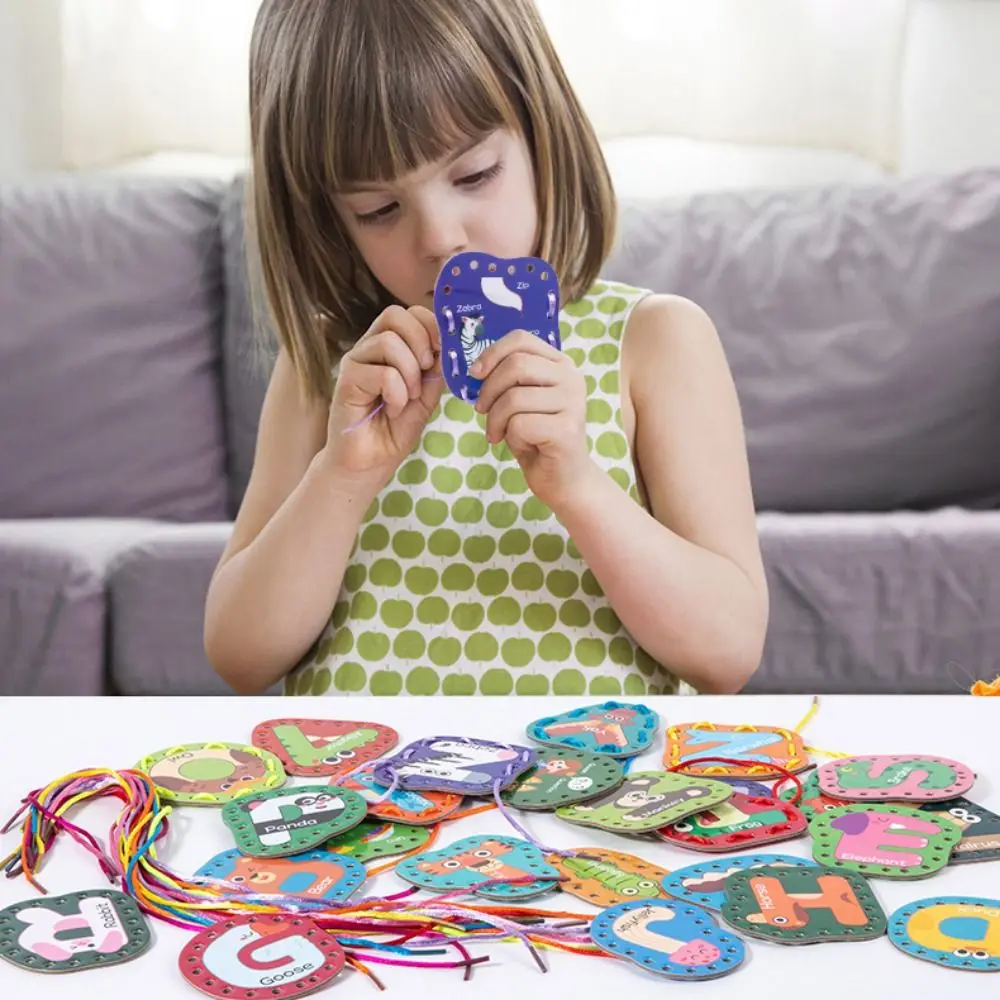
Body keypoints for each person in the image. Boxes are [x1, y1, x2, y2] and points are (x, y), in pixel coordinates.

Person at [204, 0, 769, 698]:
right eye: (379, 210)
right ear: (329, 220)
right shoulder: (326, 371)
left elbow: (729, 650)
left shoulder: (654, 343)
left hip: (586, 792)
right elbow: (239, 655)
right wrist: (341, 477)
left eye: (473, 176)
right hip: (368, 794)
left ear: (540, 133)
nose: (439, 236)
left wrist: (578, 486)